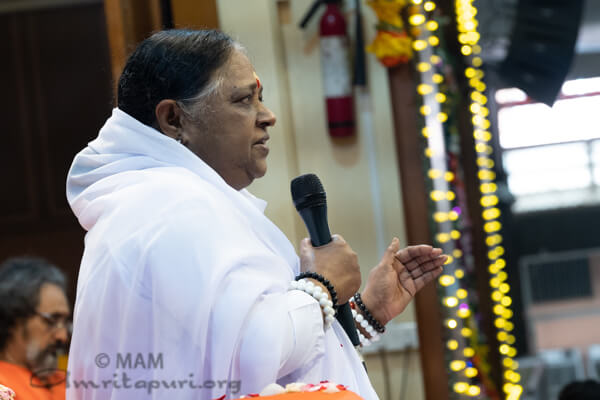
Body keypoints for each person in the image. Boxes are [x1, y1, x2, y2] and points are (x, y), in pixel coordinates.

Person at [66, 29, 446, 400]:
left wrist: (364, 314)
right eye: (244, 101)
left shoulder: (164, 201)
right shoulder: (171, 207)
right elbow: (253, 357)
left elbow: (219, 360)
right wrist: (322, 285)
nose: (268, 116)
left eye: (260, 98)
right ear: (174, 119)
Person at [0, 257, 71, 399]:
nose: (62, 336)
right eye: (52, 320)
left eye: (65, 322)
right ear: (15, 317)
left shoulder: (67, 381)